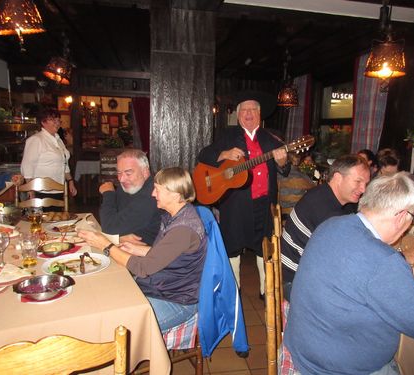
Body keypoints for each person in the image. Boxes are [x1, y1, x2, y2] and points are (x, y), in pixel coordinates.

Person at [283, 172, 414, 375]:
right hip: (332, 369)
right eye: (412, 218)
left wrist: (406, 274)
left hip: (307, 350)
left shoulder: (332, 225)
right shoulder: (382, 262)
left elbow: (354, 277)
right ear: (402, 216)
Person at [78, 167, 207, 333]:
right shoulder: (175, 214)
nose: (153, 194)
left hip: (177, 301)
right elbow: (169, 254)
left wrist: (105, 245)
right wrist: (138, 249)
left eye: (157, 190)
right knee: (103, 296)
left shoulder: (183, 229)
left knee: (114, 326)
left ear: (175, 194)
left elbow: (143, 268)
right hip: (161, 287)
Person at [197, 91, 289, 298]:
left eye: (253, 110)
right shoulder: (227, 136)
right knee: (232, 247)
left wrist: (282, 162)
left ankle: (267, 292)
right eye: (244, 110)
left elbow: (285, 168)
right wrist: (223, 154)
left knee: (265, 248)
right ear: (238, 115)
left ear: (259, 114)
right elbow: (203, 155)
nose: (249, 113)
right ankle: (234, 290)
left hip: (265, 204)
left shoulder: (272, 140)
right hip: (235, 204)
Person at [280, 154, 370, 301]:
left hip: (302, 273)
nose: (363, 189)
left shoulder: (328, 197)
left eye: (366, 183)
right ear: (338, 178)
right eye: (358, 181)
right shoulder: (324, 208)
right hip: (294, 281)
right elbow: (347, 257)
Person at [99, 149, 161, 245]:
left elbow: (109, 227)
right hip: (130, 248)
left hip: (150, 254)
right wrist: (119, 237)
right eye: (119, 173)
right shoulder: (131, 185)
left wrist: (108, 193)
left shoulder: (152, 195)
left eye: (128, 173)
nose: (121, 179)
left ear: (145, 172)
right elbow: (110, 218)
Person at [20, 107, 77, 207]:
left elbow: (64, 163)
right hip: (41, 190)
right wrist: (30, 189)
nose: (57, 123)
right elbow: (27, 166)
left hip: (58, 188)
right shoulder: (36, 140)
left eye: (58, 120)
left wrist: (70, 181)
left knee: (57, 219)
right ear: (43, 122)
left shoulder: (58, 140)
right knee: (43, 220)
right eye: (53, 120)